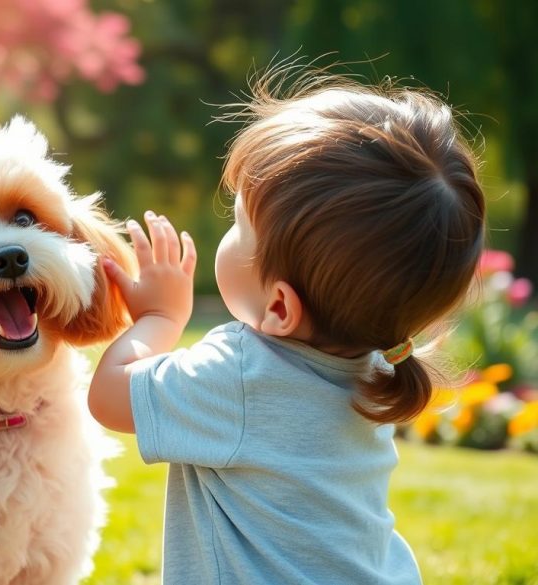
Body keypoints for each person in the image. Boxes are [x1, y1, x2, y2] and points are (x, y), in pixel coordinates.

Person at [88, 71, 486, 584]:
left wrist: (160, 317)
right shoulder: (375, 366)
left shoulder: (241, 374)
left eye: (237, 223)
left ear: (279, 307)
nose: (227, 232)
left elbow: (109, 399)